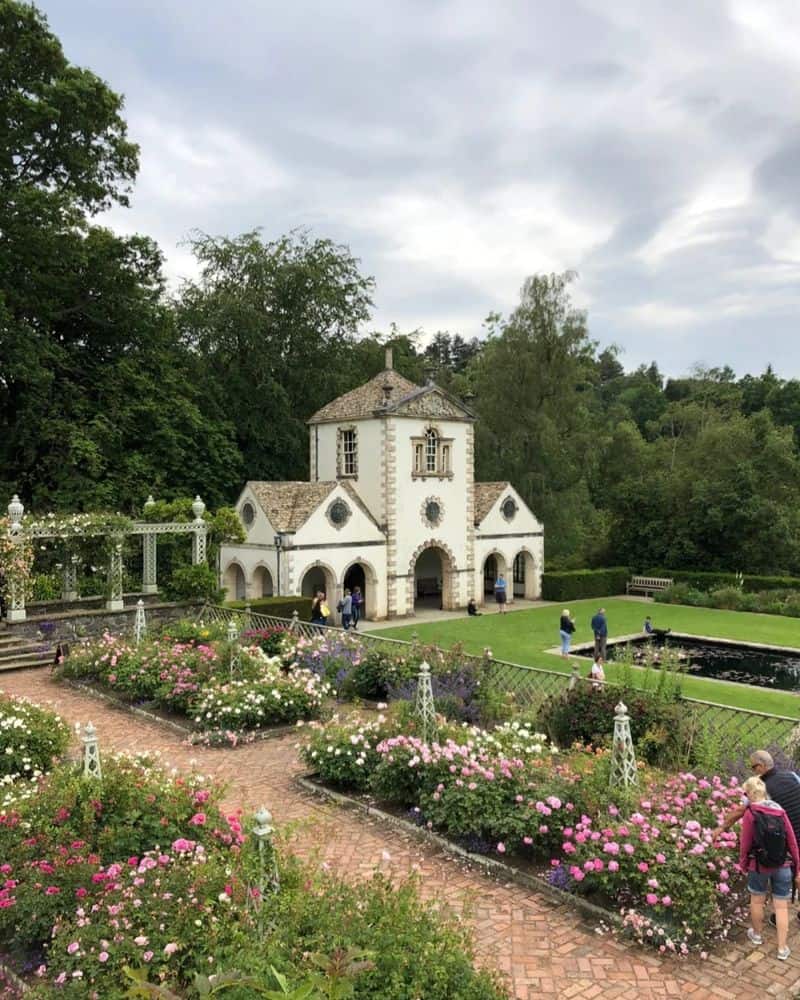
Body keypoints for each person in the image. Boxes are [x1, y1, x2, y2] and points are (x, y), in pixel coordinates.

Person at [715, 750, 800, 927]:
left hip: (788, 835)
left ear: (761, 766)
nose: (753, 770)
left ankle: (778, 919)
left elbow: (741, 811)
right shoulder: (792, 776)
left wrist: (722, 827)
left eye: (753, 767)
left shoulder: (760, 787)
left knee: (797, 875)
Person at [738, 775, 800, 961]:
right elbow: (792, 842)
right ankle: (782, 948)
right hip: (783, 864)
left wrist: (743, 863)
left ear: (749, 793)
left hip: (758, 865)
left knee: (757, 901)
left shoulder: (751, 813)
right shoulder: (780, 812)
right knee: (781, 907)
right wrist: (797, 866)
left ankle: (756, 935)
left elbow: (745, 842)